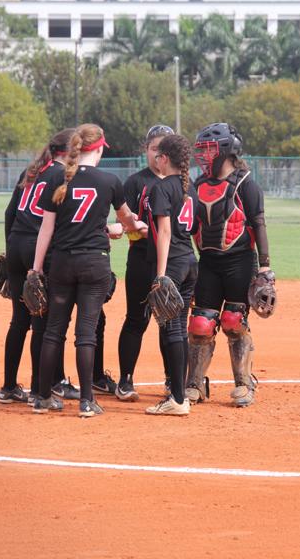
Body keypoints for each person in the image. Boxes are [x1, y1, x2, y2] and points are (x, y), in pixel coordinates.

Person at [31, 123, 146, 417]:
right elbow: (127, 219)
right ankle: (85, 401)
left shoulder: (59, 178)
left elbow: (47, 229)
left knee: (54, 331)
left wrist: (35, 269)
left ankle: (43, 397)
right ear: (98, 149)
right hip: (94, 262)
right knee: (86, 333)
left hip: (62, 263)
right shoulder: (108, 180)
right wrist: (133, 227)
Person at [186, 122, 272, 408]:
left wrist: (264, 267)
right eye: (202, 149)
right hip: (208, 263)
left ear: (227, 150)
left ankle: (244, 384)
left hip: (240, 262)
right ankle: (194, 384)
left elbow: (258, 223)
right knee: (200, 324)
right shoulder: (196, 185)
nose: (204, 155)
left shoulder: (246, 183)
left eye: (210, 149)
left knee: (234, 321)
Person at [0, 129, 74, 404]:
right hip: (37, 249)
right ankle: (36, 390)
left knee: (19, 321)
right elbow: (59, 221)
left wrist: (10, 251)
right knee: (41, 322)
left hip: (17, 244)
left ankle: (8, 387)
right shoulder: (60, 175)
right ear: (68, 152)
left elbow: (9, 213)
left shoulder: (33, 171)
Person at [115, 124, 176, 402]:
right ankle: (125, 379)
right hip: (141, 257)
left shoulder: (180, 183)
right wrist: (135, 229)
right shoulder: (136, 183)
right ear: (146, 150)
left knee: (170, 321)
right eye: (153, 149)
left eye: (163, 150)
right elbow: (122, 223)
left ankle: (171, 378)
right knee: (136, 320)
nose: (158, 155)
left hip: (171, 259)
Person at [144, 134, 199, 416]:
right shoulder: (192, 190)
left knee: (173, 330)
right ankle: (180, 395)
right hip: (190, 261)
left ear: (164, 159)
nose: (156, 161)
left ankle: (178, 399)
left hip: (174, 264)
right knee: (179, 327)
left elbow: (164, 232)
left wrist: (161, 275)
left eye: (158, 156)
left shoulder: (161, 187)